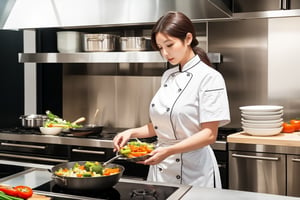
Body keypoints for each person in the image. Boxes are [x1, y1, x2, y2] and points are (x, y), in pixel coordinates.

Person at [113, 11, 230, 188]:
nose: (165, 53)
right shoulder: (168, 75)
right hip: (161, 168)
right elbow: (165, 125)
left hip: (194, 172)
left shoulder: (210, 77)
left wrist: (169, 150)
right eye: (160, 48)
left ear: (188, 38)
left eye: (169, 45)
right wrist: (131, 132)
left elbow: (209, 134)